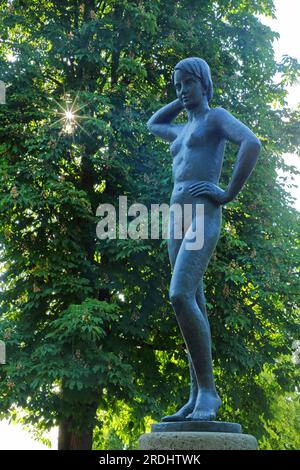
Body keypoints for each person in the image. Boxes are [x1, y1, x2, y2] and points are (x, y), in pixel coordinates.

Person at [147, 57, 261, 421]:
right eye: (177, 85)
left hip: (203, 214)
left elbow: (251, 143)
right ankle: (196, 396)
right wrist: (178, 99)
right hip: (176, 218)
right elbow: (153, 123)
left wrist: (228, 194)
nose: (181, 90)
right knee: (191, 301)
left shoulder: (216, 118)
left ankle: (209, 393)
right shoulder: (180, 130)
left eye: (187, 84)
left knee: (179, 294)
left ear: (204, 84)